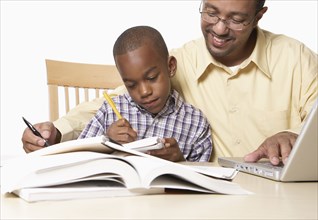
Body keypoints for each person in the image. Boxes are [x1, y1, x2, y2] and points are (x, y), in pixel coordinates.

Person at [22, 0, 317, 165]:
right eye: (210, 12)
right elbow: (111, 104)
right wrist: (56, 132)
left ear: (258, 16)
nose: (219, 28)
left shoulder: (295, 59)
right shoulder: (178, 61)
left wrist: (294, 136)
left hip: (278, 199)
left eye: (237, 19)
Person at [76, 25, 212, 162]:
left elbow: (205, 177)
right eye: (131, 85)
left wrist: (181, 160)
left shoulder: (195, 122)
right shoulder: (110, 111)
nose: (144, 92)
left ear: (170, 67)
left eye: (152, 78)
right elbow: (78, 159)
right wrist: (106, 142)